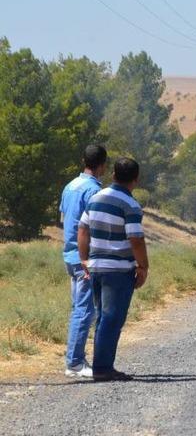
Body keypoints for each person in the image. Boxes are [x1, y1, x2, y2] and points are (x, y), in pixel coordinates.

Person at [78, 157, 148, 382]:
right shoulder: (130, 205)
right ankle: (103, 368)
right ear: (135, 179)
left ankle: (102, 365)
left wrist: (84, 259)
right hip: (118, 270)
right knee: (112, 318)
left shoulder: (95, 198)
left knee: (103, 317)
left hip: (97, 267)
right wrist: (143, 266)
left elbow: (82, 230)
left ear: (113, 175)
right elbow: (135, 239)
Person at [59, 144, 108, 378]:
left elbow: (64, 218)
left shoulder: (70, 186)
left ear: (83, 161)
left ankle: (76, 358)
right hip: (84, 258)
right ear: (103, 166)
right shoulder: (94, 191)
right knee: (85, 310)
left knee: (78, 307)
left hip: (69, 255)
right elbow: (93, 227)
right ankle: (75, 362)